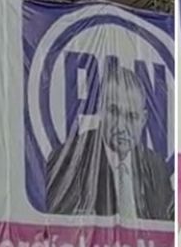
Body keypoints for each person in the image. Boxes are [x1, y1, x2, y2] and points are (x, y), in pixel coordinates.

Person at [46, 65, 173, 220]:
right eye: (114, 112)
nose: (121, 127)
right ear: (100, 110)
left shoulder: (156, 168)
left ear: (143, 119)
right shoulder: (70, 161)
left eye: (131, 116)